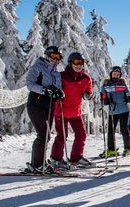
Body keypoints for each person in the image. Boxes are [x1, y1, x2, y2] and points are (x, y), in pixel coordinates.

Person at [49, 52, 94, 169]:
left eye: (81, 63)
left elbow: (89, 92)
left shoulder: (86, 78)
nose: (78, 65)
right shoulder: (62, 76)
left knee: (81, 134)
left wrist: (88, 95)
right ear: (70, 63)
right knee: (62, 135)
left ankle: (76, 158)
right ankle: (56, 159)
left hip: (75, 111)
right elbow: (54, 88)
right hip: (61, 110)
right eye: (76, 62)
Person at [24, 45, 65, 173]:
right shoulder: (38, 67)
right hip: (36, 103)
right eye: (53, 56)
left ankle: (38, 162)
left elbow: (56, 88)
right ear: (47, 55)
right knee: (43, 134)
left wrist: (59, 93)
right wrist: (44, 90)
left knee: (46, 135)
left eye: (58, 57)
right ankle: (37, 164)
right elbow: (30, 83)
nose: (55, 60)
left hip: (49, 105)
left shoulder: (56, 73)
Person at [100, 66, 130, 157]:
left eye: (118, 75)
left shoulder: (123, 84)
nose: (116, 76)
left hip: (124, 110)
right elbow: (102, 97)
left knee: (124, 129)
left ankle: (128, 148)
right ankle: (111, 149)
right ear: (111, 74)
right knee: (111, 131)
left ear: (120, 76)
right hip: (112, 111)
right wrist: (105, 101)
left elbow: (128, 94)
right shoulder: (106, 85)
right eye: (114, 74)